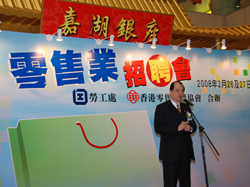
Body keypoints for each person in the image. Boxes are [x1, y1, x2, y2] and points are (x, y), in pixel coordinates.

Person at [154, 81, 197, 187]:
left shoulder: (186, 108)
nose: (180, 93)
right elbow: (158, 127)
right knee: (170, 183)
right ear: (170, 92)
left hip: (185, 153)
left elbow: (193, 124)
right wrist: (176, 128)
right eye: (177, 90)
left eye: (182, 91)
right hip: (170, 154)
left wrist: (189, 127)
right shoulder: (162, 108)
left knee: (186, 183)